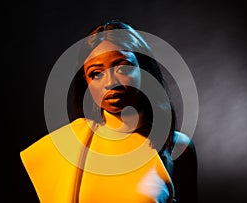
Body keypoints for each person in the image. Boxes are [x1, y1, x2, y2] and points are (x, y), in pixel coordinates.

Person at [20, 20, 198, 203]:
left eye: (122, 67)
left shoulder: (177, 146)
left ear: (144, 69)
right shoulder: (63, 147)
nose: (110, 82)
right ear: (86, 83)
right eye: (96, 74)